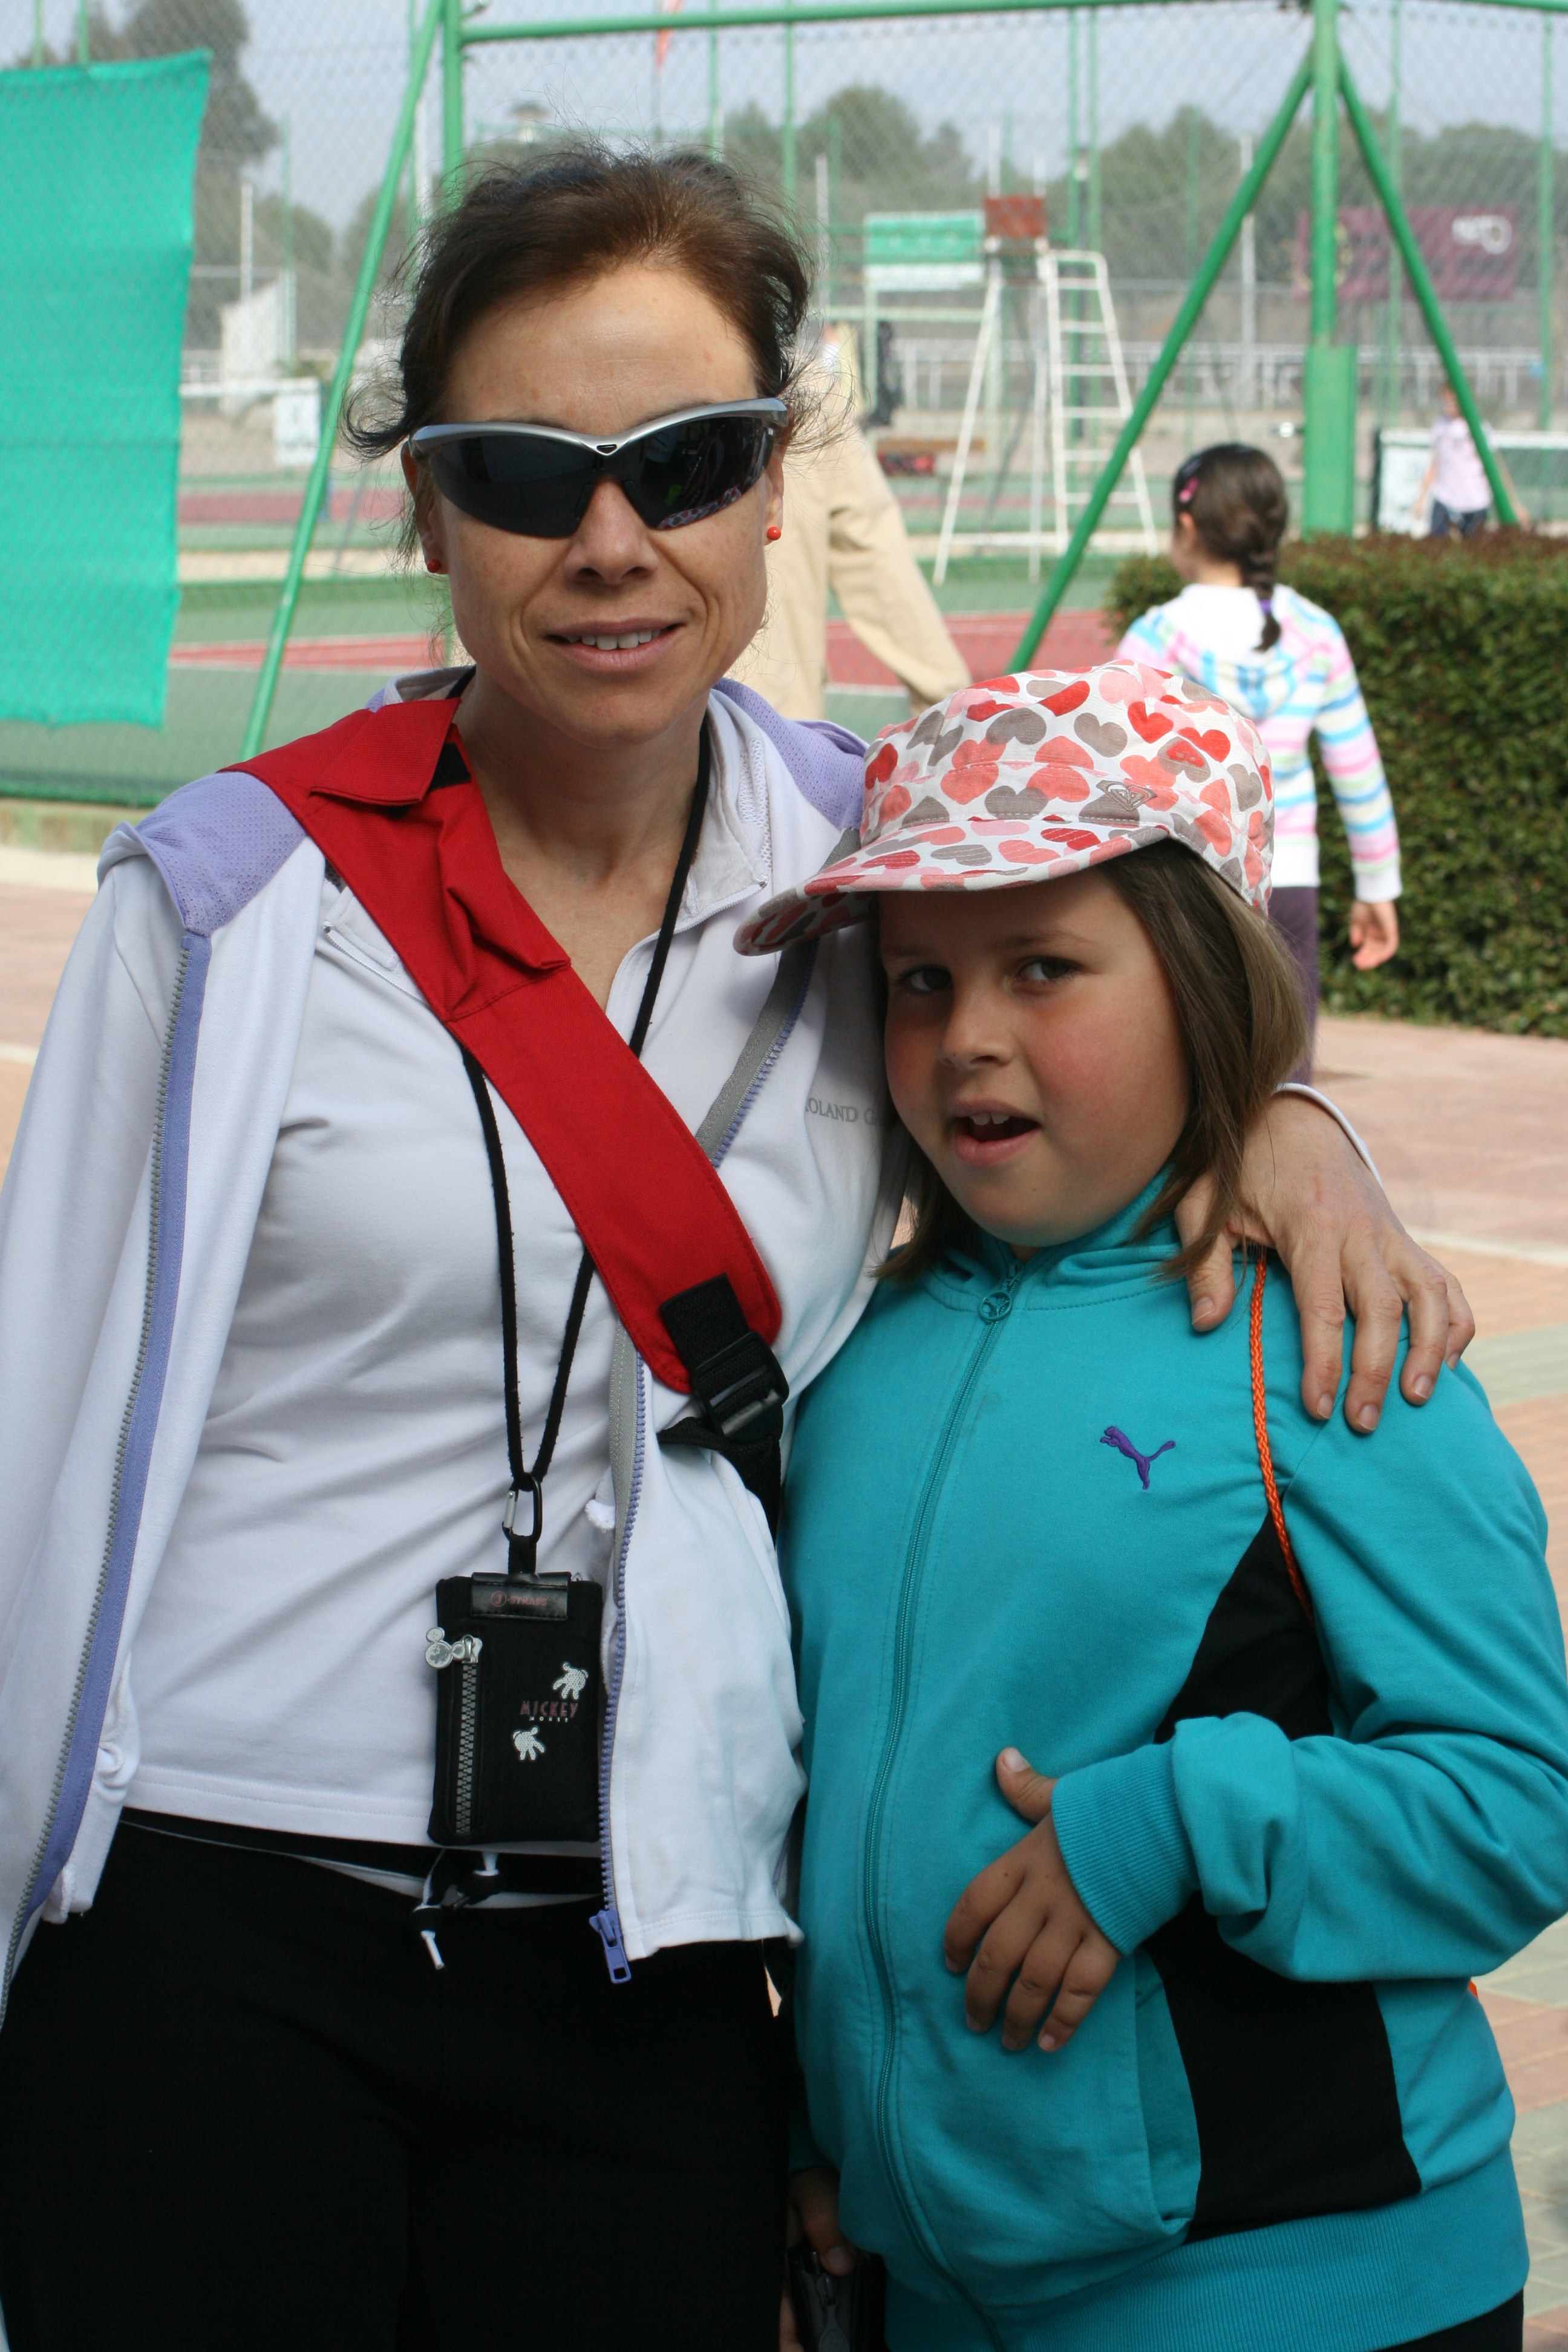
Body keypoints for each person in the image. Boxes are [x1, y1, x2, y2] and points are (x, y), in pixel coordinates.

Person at [0, 150, 1467, 2352]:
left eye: (682, 462)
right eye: (525, 474)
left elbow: (1103, 1032)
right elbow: (33, 1436)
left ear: (774, 489)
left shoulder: (880, 866)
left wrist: (1291, 1124)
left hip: (653, 1911)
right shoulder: (228, 897)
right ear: (427, 510)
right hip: (216, 1891)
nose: (612, 543)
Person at [744, 668, 1567, 2352]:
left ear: (1200, 981)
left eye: (1043, 966)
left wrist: (1174, 1820)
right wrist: (826, 2130)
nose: (967, 1033)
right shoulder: (843, 1354)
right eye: (917, 978)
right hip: (927, 2290)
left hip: (1315, 2291)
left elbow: (1518, 1804)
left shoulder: (1331, 1337)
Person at [1117, 444, 1400, 1054]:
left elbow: (1115, 766)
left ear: (1188, 526)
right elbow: (1357, 770)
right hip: (1291, 878)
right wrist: (1378, 884)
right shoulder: (1317, 632)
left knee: (1201, 1070)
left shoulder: (1156, 636)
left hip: (1190, 883)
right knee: (1286, 1070)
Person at [732, 357, 970, 723]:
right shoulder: (806, 385)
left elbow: (875, 555)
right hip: (775, 724)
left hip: (730, 725)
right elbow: (876, 555)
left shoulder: (807, 390)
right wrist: (952, 710)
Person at [1415, 380, 1492, 538]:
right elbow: (1435, 464)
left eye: (1453, 402)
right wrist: (1421, 499)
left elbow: (1494, 467)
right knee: (1437, 544)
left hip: (1475, 500)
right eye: (1446, 401)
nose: (1449, 406)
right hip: (1445, 497)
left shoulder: (1479, 427)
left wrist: (1516, 506)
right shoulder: (1440, 426)